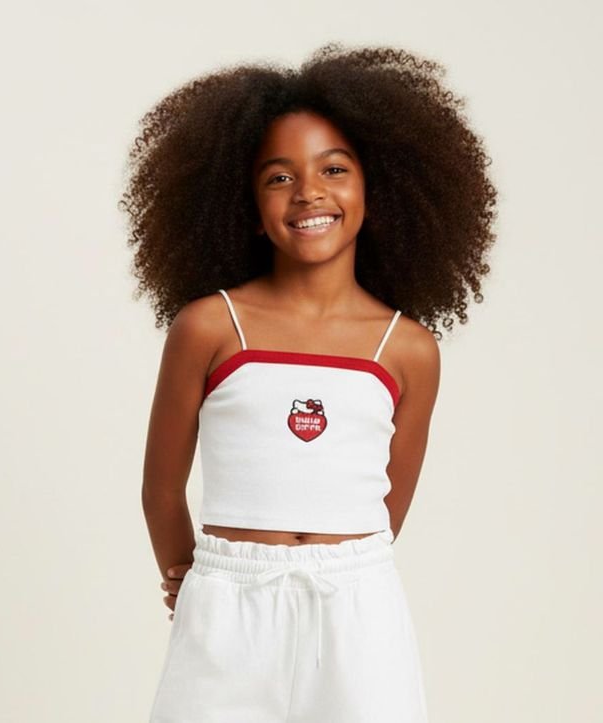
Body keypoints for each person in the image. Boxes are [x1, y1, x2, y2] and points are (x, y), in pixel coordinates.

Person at [119, 42, 498, 722]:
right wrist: (196, 581)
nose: (308, 192)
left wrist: (341, 566)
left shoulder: (407, 349)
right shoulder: (210, 327)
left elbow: (386, 507)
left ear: (376, 189)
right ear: (246, 202)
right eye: (278, 177)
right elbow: (160, 488)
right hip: (229, 603)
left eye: (334, 168)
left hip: (357, 609)